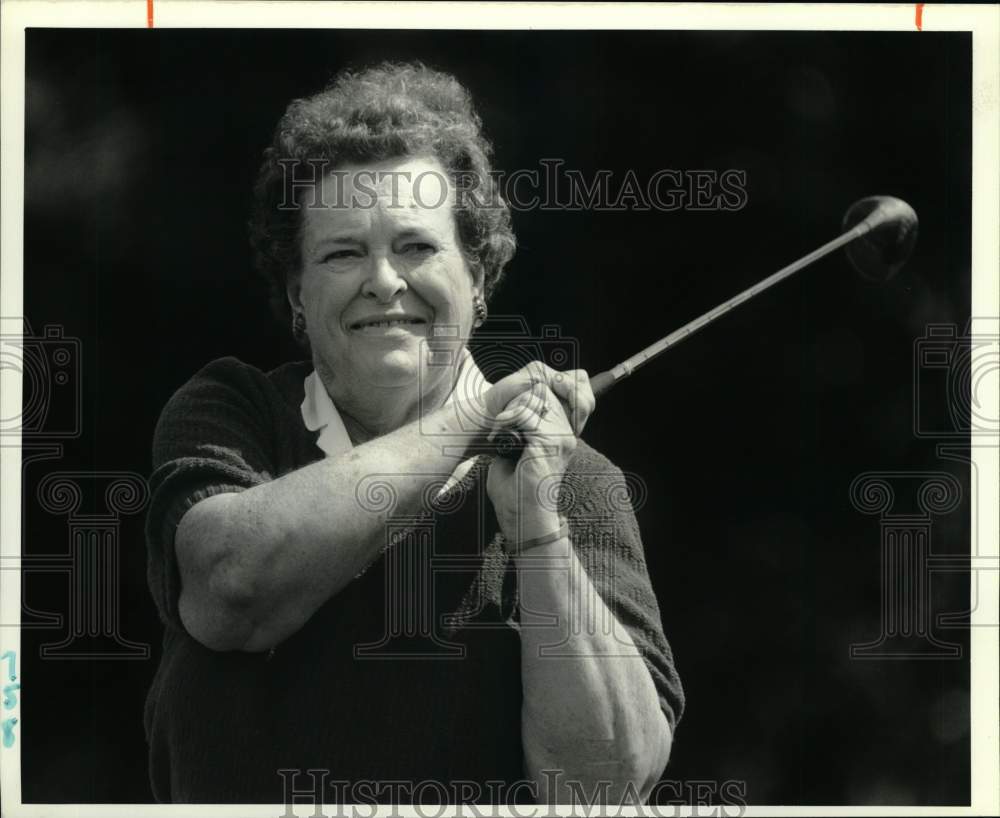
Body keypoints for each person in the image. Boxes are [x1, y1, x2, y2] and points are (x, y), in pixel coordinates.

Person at [143, 61, 684, 806]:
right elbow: (232, 591)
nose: (385, 281)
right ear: (298, 294)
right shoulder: (237, 412)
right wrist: (470, 424)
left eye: (417, 247)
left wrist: (536, 528)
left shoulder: (577, 483)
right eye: (342, 253)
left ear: (479, 277)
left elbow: (600, 788)